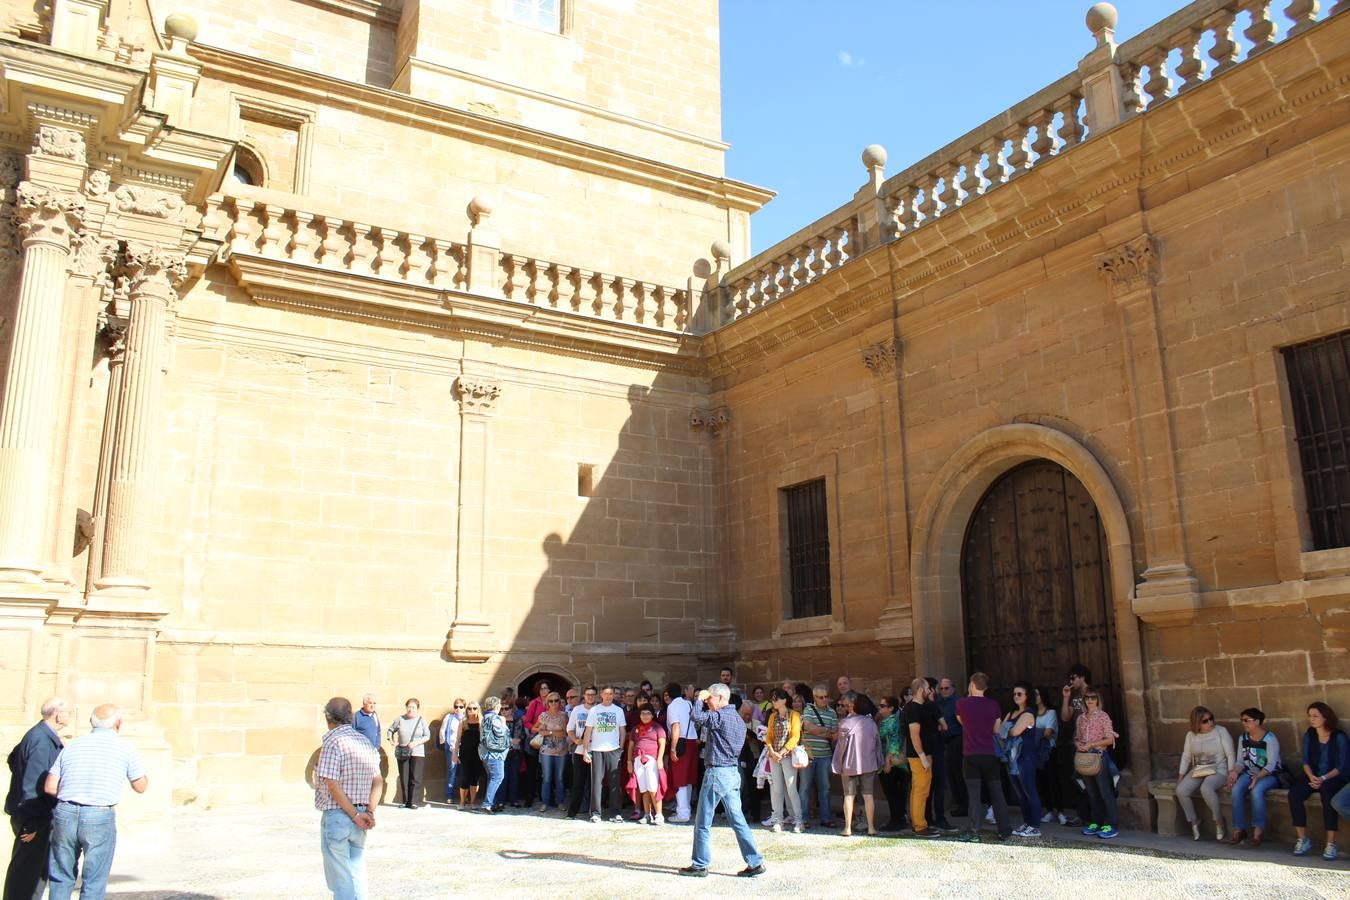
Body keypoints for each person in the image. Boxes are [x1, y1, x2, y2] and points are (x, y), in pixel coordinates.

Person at [44, 704, 148, 900]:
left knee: (61, 876)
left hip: (65, 811)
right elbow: (140, 786)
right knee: (94, 880)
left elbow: (50, 786)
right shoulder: (125, 748)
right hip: (98, 814)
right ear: (118, 723)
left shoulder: (72, 745)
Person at [678, 685, 765, 878]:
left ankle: (700, 864)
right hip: (732, 772)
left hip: (717, 772)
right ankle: (755, 861)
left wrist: (699, 699)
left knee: (702, 821)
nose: (708, 701)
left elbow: (697, 717)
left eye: (711, 698)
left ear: (719, 697)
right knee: (738, 820)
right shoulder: (739, 720)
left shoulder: (720, 716)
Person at [310, 697, 380, 900]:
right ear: (350, 716)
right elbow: (378, 780)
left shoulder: (333, 741)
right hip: (360, 816)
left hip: (339, 816)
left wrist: (356, 814)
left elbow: (331, 783)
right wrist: (369, 811)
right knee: (356, 872)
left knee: (341, 881)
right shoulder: (365, 741)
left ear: (328, 717)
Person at [4, 697, 67, 900]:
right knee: (26, 874)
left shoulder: (38, 734)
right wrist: (32, 824)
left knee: (35, 872)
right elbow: (33, 786)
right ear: (58, 715)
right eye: (68, 713)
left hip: (33, 814)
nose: (69, 717)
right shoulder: (42, 741)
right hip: (34, 816)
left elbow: (14, 758)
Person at [955, 672, 1011, 843]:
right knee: (997, 793)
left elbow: (962, 722)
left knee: (974, 795)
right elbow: (996, 730)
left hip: (970, 754)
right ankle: (1004, 830)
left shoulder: (961, 703)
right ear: (985, 688)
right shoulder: (993, 705)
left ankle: (974, 831)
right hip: (989, 754)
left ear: (972, 685)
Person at [1290, 701, 1348, 860]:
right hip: (1313, 775)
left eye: (1315, 716)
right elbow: (1306, 761)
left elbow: (1341, 766)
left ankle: (1331, 843)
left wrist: (1323, 778)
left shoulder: (1339, 737)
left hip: (1333, 777)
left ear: (1325, 717)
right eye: (1310, 716)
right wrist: (1311, 777)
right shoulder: (1310, 734)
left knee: (1328, 794)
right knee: (1295, 793)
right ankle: (1302, 839)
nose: (1312, 719)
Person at [1176, 705, 1234, 842]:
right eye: (1205, 721)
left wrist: (1231, 773)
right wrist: (1181, 776)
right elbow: (1186, 756)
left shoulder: (1221, 731)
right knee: (1181, 790)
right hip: (1200, 769)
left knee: (1206, 788)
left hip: (1219, 768)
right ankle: (1194, 821)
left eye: (1211, 719)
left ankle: (1219, 821)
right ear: (1197, 723)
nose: (1210, 723)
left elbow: (1230, 754)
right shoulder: (1191, 735)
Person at [1226, 707, 1282, 847]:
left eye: (1246, 720)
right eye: (1242, 720)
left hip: (1270, 774)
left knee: (1257, 791)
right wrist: (1234, 772)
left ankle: (1258, 830)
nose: (1243, 723)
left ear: (1257, 721)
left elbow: (1271, 764)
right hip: (1250, 773)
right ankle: (1239, 829)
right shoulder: (1242, 738)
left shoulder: (1270, 738)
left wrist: (1258, 776)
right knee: (1236, 790)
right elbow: (1240, 761)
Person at [833, 692, 883, 836]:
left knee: (849, 796)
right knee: (868, 795)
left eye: (846, 705)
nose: (845, 707)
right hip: (868, 763)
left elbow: (840, 747)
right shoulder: (871, 722)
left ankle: (847, 828)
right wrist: (878, 760)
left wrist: (837, 763)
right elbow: (877, 743)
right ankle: (871, 827)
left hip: (849, 764)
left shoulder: (845, 722)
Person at [1074, 691, 1119, 840]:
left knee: (1105, 792)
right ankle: (1097, 822)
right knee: (1092, 793)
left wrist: (1092, 744)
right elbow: (1077, 737)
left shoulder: (1103, 716)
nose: (1090, 700)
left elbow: (1110, 739)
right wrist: (1078, 744)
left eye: (1093, 698)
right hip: (1085, 758)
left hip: (1099, 757)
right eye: (1087, 697)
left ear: (1098, 700)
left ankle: (1112, 825)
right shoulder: (1081, 718)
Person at [904, 677, 942, 838]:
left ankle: (919, 823)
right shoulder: (913, 709)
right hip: (919, 756)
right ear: (920, 690)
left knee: (920, 790)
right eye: (927, 689)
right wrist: (923, 757)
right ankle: (920, 826)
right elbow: (914, 735)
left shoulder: (921, 707)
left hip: (923, 755)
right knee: (920, 790)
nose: (929, 691)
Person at [582, 686, 626, 823]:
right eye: (606, 693)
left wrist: (621, 748)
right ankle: (596, 813)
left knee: (614, 783)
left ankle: (616, 813)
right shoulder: (594, 710)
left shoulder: (618, 711)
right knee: (596, 783)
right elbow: (588, 731)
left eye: (611, 694)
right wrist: (585, 750)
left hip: (613, 750)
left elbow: (622, 731)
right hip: (597, 750)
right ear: (601, 695)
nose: (608, 696)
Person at [1003, 681, 1042, 837]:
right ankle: (1027, 822)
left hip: (1024, 757)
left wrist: (1006, 729)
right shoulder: (1011, 713)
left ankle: (1035, 825)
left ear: (1027, 696)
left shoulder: (1028, 713)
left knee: (1029, 790)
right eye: (1014, 694)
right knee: (1020, 793)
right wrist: (1006, 729)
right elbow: (1000, 731)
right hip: (1011, 758)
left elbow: (1013, 732)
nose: (1016, 697)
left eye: (1020, 694)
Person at [763, 688, 803, 833]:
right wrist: (772, 751)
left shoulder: (795, 715)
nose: (773, 701)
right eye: (772, 699)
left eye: (776, 699)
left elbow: (795, 736)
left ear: (784, 700)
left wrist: (782, 751)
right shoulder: (773, 717)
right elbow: (769, 737)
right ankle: (778, 820)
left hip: (788, 756)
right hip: (774, 756)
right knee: (777, 789)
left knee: (792, 789)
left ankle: (798, 819)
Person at [798, 684, 838, 828]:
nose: (824, 700)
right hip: (808, 755)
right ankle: (803, 818)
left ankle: (826, 818)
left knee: (825, 788)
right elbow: (808, 727)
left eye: (826, 697)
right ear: (814, 697)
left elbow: (834, 734)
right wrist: (825, 730)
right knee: (804, 788)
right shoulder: (808, 709)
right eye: (821, 697)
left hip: (825, 755)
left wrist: (819, 730)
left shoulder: (832, 712)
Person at [1057, 665, 1092, 826]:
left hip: (1091, 743)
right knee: (1079, 780)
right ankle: (1083, 815)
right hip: (1076, 743)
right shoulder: (1074, 696)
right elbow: (1065, 717)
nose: (1071, 681)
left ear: (1082, 677)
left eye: (1073, 677)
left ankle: (1094, 816)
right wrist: (1066, 697)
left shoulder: (1093, 694)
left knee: (1092, 780)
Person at [625, 703, 667, 825]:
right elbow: (631, 746)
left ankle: (659, 814)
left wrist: (659, 760)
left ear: (652, 715)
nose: (645, 715)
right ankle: (647, 814)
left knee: (653, 787)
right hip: (638, 760)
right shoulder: (635, 728)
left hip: (652, 760)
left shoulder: (657, 728)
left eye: (648, 713)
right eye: (643, 713)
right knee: (644, 788)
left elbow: (662, 744)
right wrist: (629, 761)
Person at [664, 682, 698, 823]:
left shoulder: (673, 706)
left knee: (680, 778)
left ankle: (682, 812)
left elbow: (676, 726)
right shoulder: (688, 703)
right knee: (688, 778)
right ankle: (686, 809)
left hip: (680, 742)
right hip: (692, 740)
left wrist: (672, 748)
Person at [387, 698, 429, 809]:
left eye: (413, 707)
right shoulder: (400, 719)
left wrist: (416, 743)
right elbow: (390, 730)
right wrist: (391, 741)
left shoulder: (421, 720)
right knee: (404, 776)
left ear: (417, 709)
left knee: (415, 777)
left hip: (417, 752)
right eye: (409, 707)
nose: (411, 709)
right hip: (403, 751)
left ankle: (413, 801)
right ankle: (405, 801)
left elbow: (427, 736)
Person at [877, 695, 909, 832]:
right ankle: (898, 819)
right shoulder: (889, 720)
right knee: (896, 794)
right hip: (894, 763)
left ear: (891, 708)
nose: (880, 707)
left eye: (883, 706)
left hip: (893, 764)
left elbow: (895, 741)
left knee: (893, 794)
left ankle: (897, 820)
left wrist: (887, 763)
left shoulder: (891, 722)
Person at [564, 686, 597, 819]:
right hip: (579, 751)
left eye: (593, 694)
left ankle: (593, 812)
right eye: (588, 694)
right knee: (578, 782)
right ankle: (572, 812)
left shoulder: (599, 709)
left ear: (596, 696)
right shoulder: (577, 710)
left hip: (595, 749)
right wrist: (575, 739)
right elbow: (569, 729)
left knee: (594, 783)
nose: (590, 697)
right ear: (584, 695)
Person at [533, 692, 569, 811]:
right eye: (551, 701)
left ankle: (560, 801)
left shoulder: (564, 715)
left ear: (560, 702)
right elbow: (533, 728)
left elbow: (565, 733)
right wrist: (540, 730)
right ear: (547, 703)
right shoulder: (543, 716)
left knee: (559, 778)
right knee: (547, 778)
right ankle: (545, 802)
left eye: (556, 700)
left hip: (561, 751)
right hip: (546, 751)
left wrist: (549, 732)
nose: (554, 703)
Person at [937, 676, 967, 820]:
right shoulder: (938, 702)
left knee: (957, 773)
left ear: (953, 688)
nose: (943, 691)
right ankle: (958, 803)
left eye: (946, 688)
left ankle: (963, 805)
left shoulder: (957, 702)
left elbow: (963, 723)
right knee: (950, 774)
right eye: (941, 688)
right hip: (944, 741)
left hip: (956, 739)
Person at [478, 696, 511, 813]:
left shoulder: (484, 718)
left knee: (492, 778)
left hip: (485, 753)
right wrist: (504, 724)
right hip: (495, 753)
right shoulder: (495, 718)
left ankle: (493, 803)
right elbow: (500, 733)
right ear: (496, 706)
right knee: (498, 777)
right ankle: (487, 804)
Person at [1033, 687, 1061, 825]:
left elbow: (1048, 732)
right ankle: (1049, 810)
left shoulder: (1051, 713)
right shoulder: (1032, 714)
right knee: (1042, 782)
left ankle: (1060, 811)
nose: (1036, 696)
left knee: (1053, 780)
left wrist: (1035, 733)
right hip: (1036, 751)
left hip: (1049, 750)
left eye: (1037, 694)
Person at [452, 700, 483, 808]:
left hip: (478, 754)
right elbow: (457, 740)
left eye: (474, 708)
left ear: (478, 709)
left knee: (475, 778)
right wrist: (455, 755)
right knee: (464, 777)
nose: (471, 710)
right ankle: (461, 802)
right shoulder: (463, 722)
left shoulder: (481, 722)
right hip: (465, 754)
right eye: (469, 708)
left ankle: (472, 802)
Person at [439, 699, 465, 804]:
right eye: (456, 706)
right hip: (452, 748)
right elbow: (442, 731)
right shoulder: (449, 717)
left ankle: (464, 796)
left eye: (461, 707)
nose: (458, 709)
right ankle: (450, 795)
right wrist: (446, 744)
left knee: (464, 772)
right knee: (452, 772)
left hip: (464, 749)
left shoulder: (467, 718)